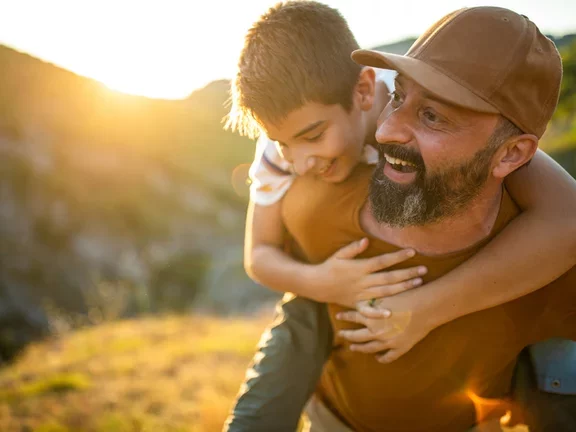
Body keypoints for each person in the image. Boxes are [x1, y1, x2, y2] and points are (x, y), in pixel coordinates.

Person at [224, 3, 576, 431]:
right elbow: (258, 252)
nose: (299, 162)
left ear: (364, 92)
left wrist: (426, 308)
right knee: (297, 323)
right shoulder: (282, 155)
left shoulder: (397, 104)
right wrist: (323, 281)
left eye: (431, 116)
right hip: (326, 294)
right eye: (401, 99)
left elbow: (565, 214)